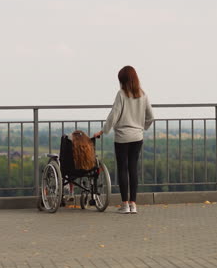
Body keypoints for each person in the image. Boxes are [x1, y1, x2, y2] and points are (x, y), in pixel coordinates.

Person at [94, 66, 154, 214]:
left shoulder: (121, 94)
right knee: (133, 168)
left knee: (122, 168)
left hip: (122, 137)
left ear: (123, 80)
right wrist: (142, 128)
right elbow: (151, 117)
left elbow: (114, 115)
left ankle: (125, 204)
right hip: (137, 137)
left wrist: (104, 130)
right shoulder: (143, 94)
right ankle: (134, 204)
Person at [61, 130, 96, 201]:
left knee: (69, 172)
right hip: (87, 169)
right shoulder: (88, 150)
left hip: (71, 170)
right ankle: (93, 195)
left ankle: (71, 192)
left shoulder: (70, 149)